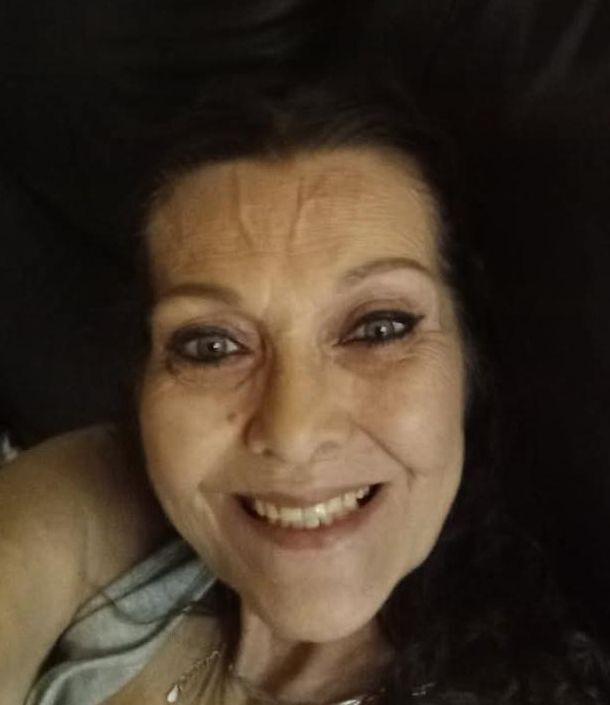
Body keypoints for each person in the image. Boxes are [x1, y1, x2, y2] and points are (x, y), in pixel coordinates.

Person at [3, 74, 610, 705]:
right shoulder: (92, 510)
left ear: (469, 363)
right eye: (212, 346)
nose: (294, 434)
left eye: (379, 329)